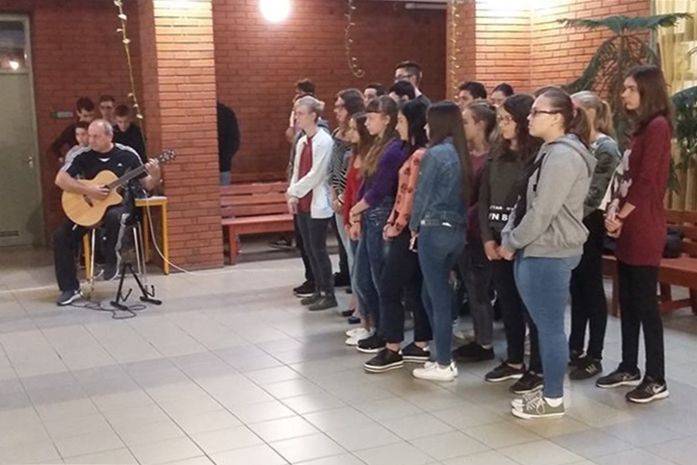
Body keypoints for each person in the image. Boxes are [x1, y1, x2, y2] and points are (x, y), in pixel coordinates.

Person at [500, 87, 595, 419]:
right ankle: (549, 388)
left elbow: (543, 211)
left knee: (550, 327)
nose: (529, 118)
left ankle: (553, 398)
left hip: (550, 250)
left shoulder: (564, 156)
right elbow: (526, 201)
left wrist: (512, 241)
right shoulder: (550, 151)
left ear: (556, 118)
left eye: (536, 112)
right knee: (543, 326)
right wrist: (510, 234)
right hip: (537, 247)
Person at [598, 65, 673, 404]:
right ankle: (628, 366)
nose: (624, 94)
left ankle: (656, 378)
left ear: (647, 91)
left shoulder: (658, 127)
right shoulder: (640, 129)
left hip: (643, 227)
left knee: (645, 306)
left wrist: (622, 216)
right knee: (627, 302)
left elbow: (646, 181)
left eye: (630, 88)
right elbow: (625, 178)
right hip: (627, 226)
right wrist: (614, 214)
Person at [53, 120, 161, 306]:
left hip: (120, 207)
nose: (91, 140)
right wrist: (88, 190)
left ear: (110, 136)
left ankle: (110, 258)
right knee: (61, 236)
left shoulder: (127, 155)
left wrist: (156, 174)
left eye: (96, 136)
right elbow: (60, 180)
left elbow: (148, 184)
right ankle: (69, 288)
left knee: (114, 216)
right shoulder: (82, 155)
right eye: (90, 136)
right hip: (91, 208)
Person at [481, 94, 544, 395]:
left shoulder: (537, 157)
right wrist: (487, 238)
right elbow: (483, 198)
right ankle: (515, 359)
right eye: (500, 119)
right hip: (497, 238)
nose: (503, 125)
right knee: (508, 304)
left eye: (507, 119)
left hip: (523, 241)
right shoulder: (497, 154)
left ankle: (538, 368)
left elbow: (534, 207)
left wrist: (514, 241)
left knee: (532, 307)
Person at [363, 100, 432, 372]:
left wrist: (395, 225)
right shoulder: (409, 150)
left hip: (409, 230)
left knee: (389, 285)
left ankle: (392, 347)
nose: (398, 126)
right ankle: (421, 342)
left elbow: (409, 197)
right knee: (413, 286)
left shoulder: (419, 155)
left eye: (402, 121)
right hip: (408, 228)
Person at [408, 101, 469, 382]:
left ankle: (444, 362)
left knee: (438, 297)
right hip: (456, 230)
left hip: (434, 228)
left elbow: (422, 193)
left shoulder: (436, 154)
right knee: (430, 293)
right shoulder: (461, 152)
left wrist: (413, 226)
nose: (424, 126)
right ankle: (441, 354)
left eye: (429, 121)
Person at [567, 91, 621, 380]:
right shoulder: (575, 142)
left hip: (590, 220)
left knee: (591, 288)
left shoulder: (605, 147)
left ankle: (595, 354)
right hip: (572, 220)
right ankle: (575, 347)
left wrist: (569, 216)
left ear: (591, 113)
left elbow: (595, 192)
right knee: (576, 287)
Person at [350, 96, 408, 353]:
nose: (367, 123)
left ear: (387, 119)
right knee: (363, 278)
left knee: (378, 278)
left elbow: (381, 189)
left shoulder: (394, 149)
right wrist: (356, 214)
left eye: (372, 118)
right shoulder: (377, 145)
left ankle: (386, 332)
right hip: (369, 214)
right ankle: (377, 327)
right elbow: (366, 183)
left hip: (380, 213)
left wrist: (356, 209)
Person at [452, 101, 497, 363]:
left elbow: (483, 198)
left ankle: (485, 343)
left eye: (467, 122)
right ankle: (480, 336)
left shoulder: (491, 158)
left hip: (478, 230)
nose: (462, 127)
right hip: (462, 227)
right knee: (469, 284)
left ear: (480, 125)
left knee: (479, 287)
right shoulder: (466, 154)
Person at [287, 96, 337, 311]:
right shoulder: (302, 141)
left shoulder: (324, 140)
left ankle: (328, 293)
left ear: (313, 115)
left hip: (318, 202)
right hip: (303, 202)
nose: (297, 118)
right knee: (308, 248)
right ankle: (317, 288)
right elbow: (297, 170)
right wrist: (293, 195)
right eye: (296, 113)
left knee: (318, 249)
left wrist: (293, 191)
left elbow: (317, 174)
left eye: (300, 113)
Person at [330, 89, 365, 304]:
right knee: (346, 250)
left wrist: (343, 198)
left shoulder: (359, 138)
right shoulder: (337, 134)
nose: (336, 111)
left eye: (340, 107)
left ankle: (358, 301)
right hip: (337, 198)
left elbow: (353, 177)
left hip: (350, 201)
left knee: (355, 254)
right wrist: (334, 193)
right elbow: (333, 168)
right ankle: (356, 299)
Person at [344, 112, 376, 345]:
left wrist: (357, 217)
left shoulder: (370, 157)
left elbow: (366, 194)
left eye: (354, 129)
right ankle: (364, 322)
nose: (350, 133)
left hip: (364, 220)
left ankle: (370, 323)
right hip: (352, 218)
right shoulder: (353, 155)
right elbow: (349, 191)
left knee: (364, 276)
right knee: (357, 274)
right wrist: (348, 217)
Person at [49, 97, 95, 162]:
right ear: (78, 113)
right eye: (85, 116)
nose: (89, 119)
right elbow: (55, 146)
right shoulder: (70, 130)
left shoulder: (97, 128)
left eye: (91, 115)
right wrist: (61, 158)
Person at [216, 101, 241, 185]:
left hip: (205, 166)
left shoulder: (201, 114)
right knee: (224, 190)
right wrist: (226, 157)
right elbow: (234, 139)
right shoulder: (227, 112)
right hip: (224, 165)